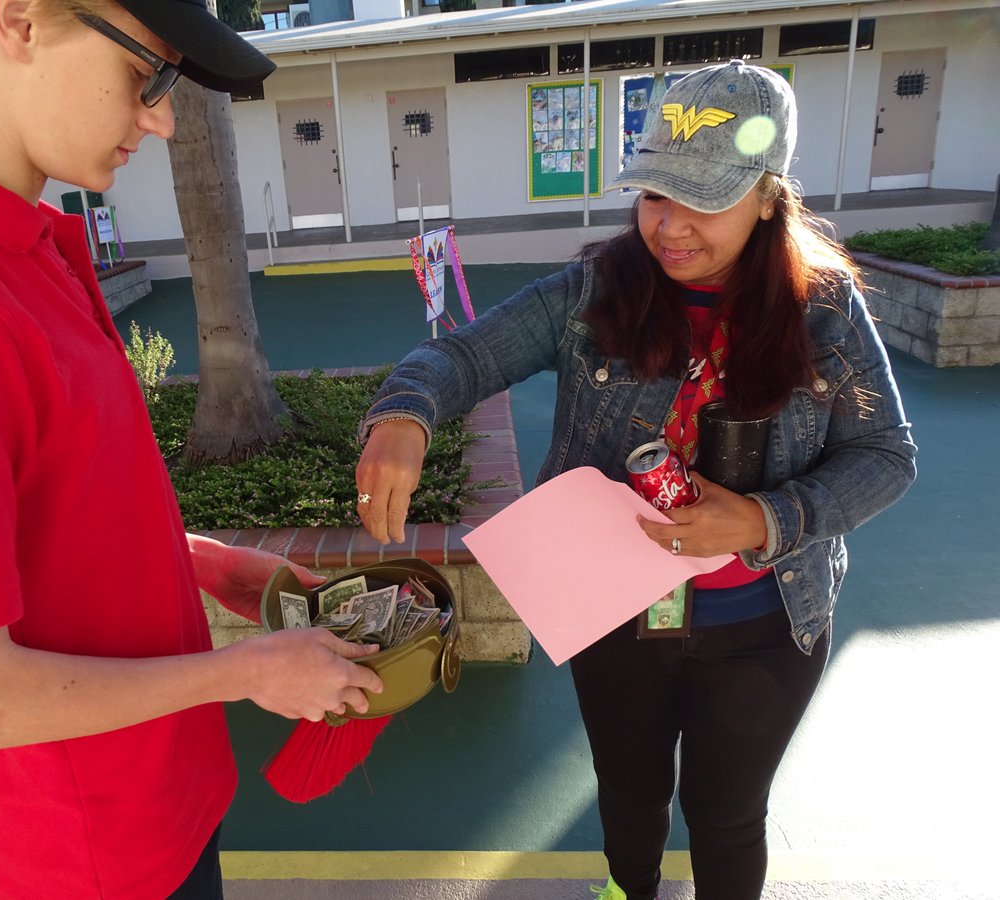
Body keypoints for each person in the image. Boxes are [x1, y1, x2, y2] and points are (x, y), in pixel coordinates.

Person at [0, 1, 383, 897]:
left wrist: (200, 561)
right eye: (146, 74)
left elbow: (57, 512)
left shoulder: (20, 247)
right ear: (19, 18)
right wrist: (241, 673)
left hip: (161, 800)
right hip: (97, 857)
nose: (160, 117)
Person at [355, 61, 916, 900]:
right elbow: (462, 353)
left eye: (706, 199)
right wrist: (405, 412)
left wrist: (765, 520)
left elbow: (887, 455)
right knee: (629, 795)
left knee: (728, 815)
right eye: (656, 194)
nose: (671, 227)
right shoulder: (593, 289)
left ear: (768, 195)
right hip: (618, 616)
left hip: (767, 621)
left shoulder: (823, 305)